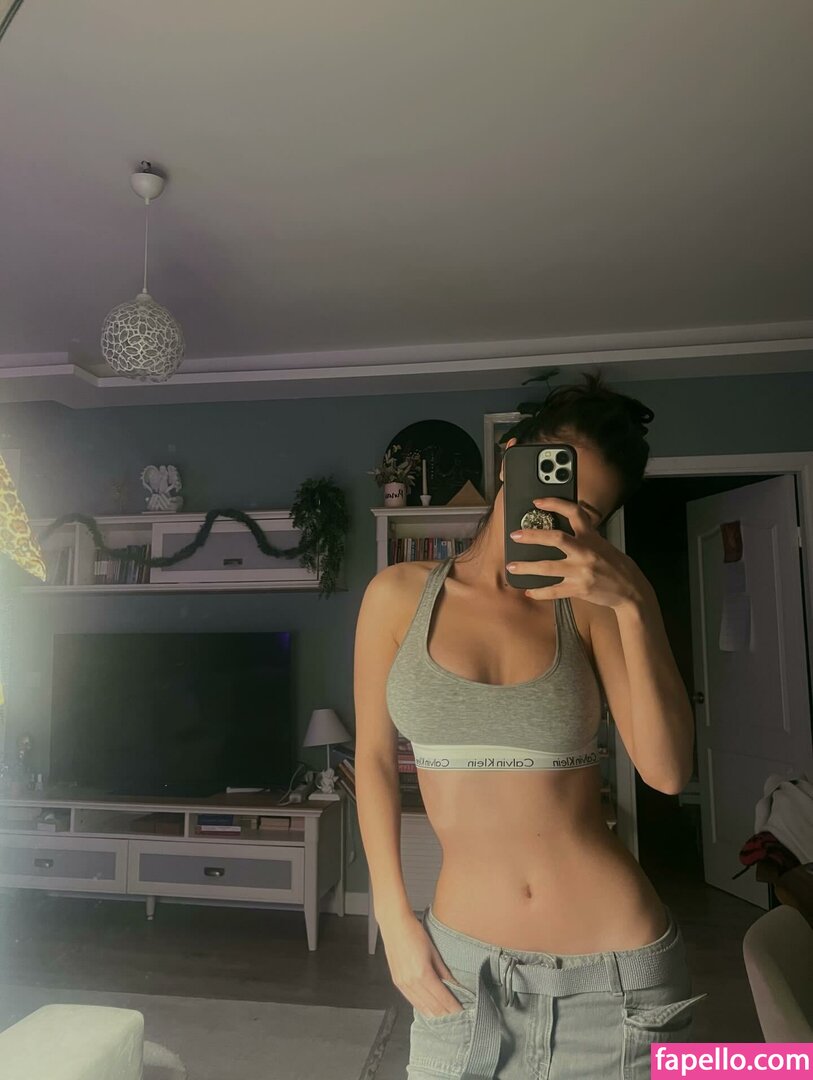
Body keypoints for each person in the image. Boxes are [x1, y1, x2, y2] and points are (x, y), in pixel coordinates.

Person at [354, 372, 708, 1079]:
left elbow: (667, 773)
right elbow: (372, 758)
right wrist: (393, 919)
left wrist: (635, 601)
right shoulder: (397, 595)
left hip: (618, 984)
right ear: (511, 460)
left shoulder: (592, 605)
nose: (557, 518)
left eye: (585, 513)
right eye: (552, 489)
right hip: (462, 975)